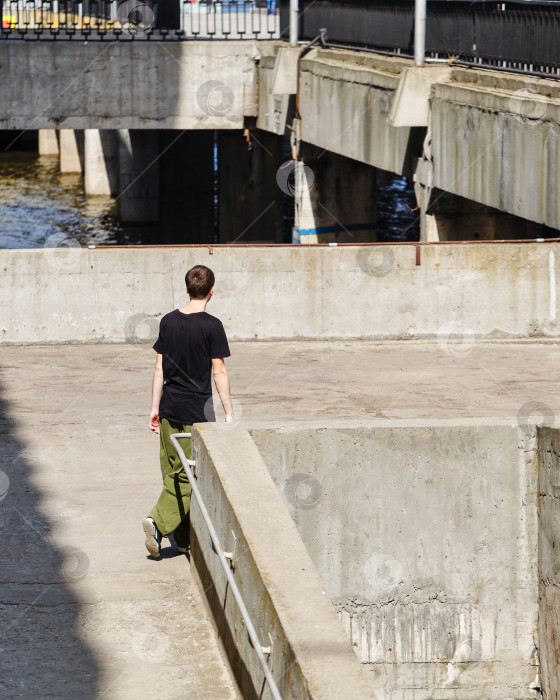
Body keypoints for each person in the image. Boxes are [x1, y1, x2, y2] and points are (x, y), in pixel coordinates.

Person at [143, 264, 233, 558]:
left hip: (169, 409)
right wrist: (229, 413)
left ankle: (183, 541)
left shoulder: (168, 321)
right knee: (187, 477)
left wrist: (154, 408)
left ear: (186, 289)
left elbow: (159, 368)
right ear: (211, 291)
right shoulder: (212, 326)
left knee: (174, 473)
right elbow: (218, 372)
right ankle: (157, 523)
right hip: (198, 414)